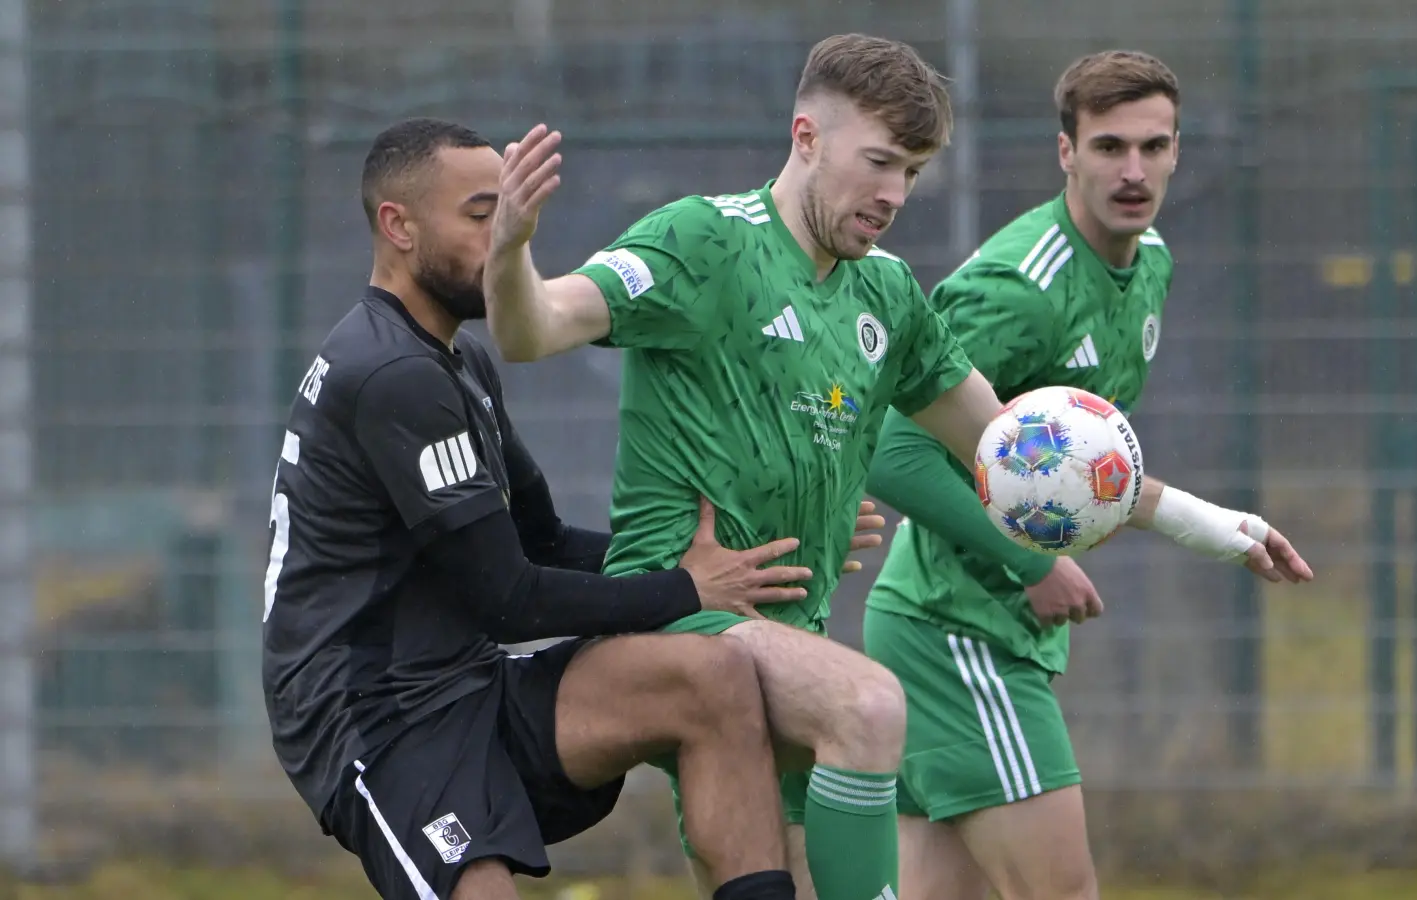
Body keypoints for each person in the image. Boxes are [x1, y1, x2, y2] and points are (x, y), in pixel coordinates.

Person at [480, 33, 1008, 900]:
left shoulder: (886, 293)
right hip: (677, 624)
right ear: (806, 136)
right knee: (868, 709)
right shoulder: (705, 240)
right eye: (878, 162)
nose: (893, 194)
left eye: (912, 172)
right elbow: (529, 329)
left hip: (783, 630)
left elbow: (1002, 445)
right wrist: (510, 252)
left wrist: (1193, 520)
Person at [261, 117, 835, 900]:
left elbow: (544, 539)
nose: (505, 237)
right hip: (375, 714)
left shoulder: (459, 360)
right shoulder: (392, 374)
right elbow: (510, 599)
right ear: (398, 226)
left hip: (471, 681)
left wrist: (716, 559)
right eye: (479, 215)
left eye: (509, 213)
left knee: (713, 676)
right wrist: (687, 591)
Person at [859, 50, 1317, 900]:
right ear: (1065, 152)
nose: (1133, 171)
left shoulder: (1150, 265)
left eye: (1154, 146)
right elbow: (893, 449)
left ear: (1179, 151)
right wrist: (1031, 566)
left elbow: (1075, 473)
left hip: (975, 629)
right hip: (956, 631)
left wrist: (1219, 527)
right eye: (1109, 147)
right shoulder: (1018, 290)